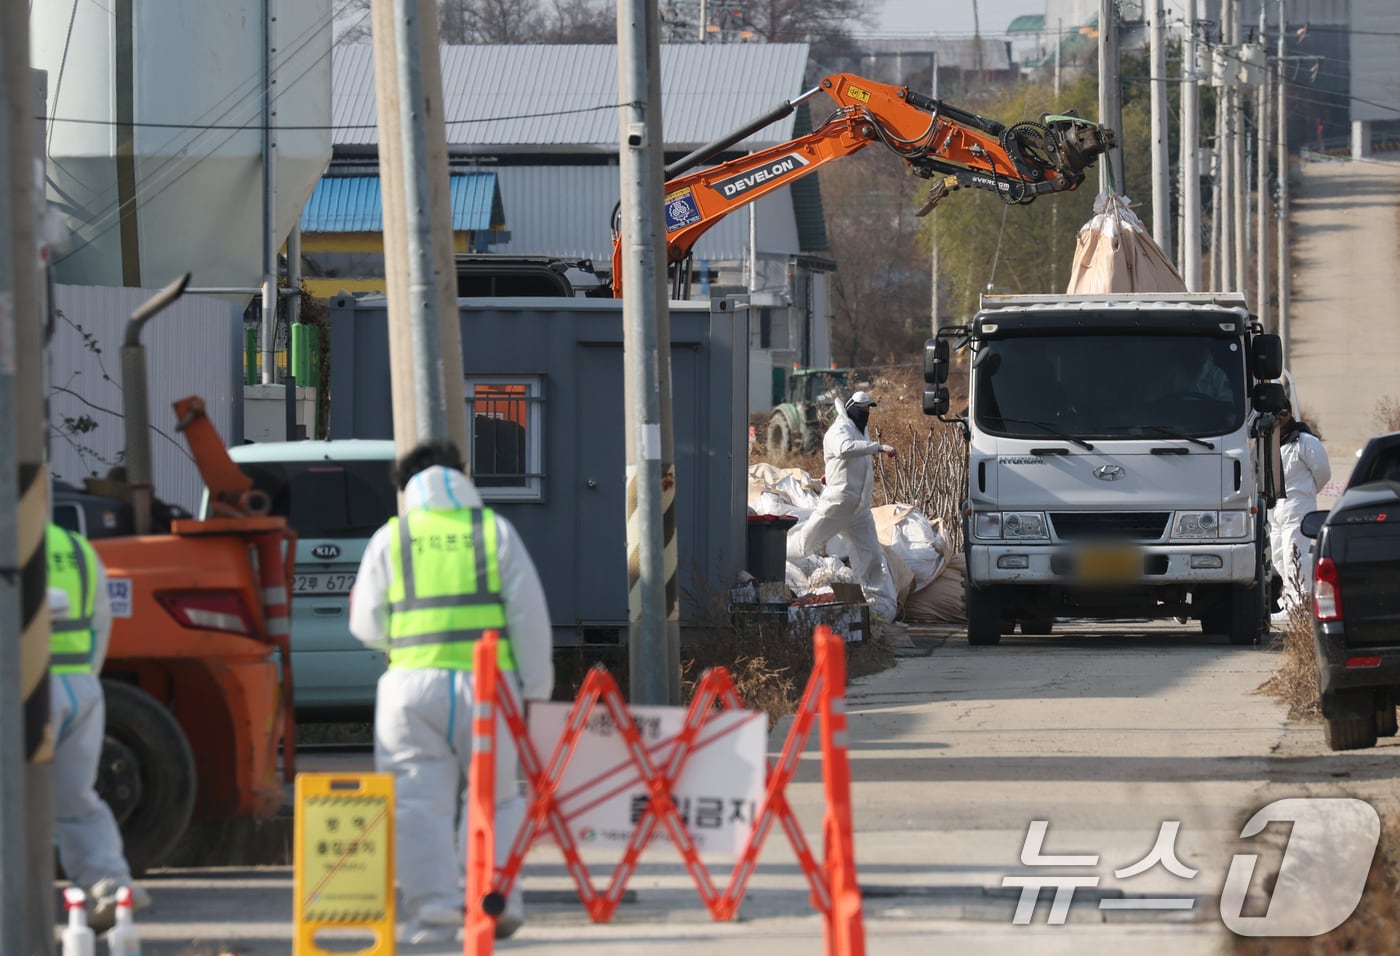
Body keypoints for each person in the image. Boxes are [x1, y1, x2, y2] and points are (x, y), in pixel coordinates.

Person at [349, 440, 553, 944]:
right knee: (497, 798)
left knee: (418, 803)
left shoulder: (391, 538)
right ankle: (495, 901)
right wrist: (536, 690)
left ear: (406, 488)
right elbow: (529, 618)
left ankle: (434, 914)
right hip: (489, 687)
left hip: (410, 688)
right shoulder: (493, 531)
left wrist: (400, 640)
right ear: (463, 477)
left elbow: (365, 624)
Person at [46, 523, 152, 930]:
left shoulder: (9, 542)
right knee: (75, 797)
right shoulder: (76, 548)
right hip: (80, 686)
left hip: (25, 687)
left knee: (12, 797)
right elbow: (100, 622)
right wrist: (85, 681)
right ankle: (111, 885)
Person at [786, 391, 900, 625]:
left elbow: (849, 463)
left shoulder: (861, 430)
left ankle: (875, 608)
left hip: (859, 510)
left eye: (868, 408)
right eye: (862, 408)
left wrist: (831, 474)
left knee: (870, 556)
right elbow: (844, 449)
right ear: (850, 408)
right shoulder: (839, 430)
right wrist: (877, 447)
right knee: (806, 544)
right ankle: (776, 554)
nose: (865, 413)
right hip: (838, 506)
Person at [1269, 405, 1332, 621]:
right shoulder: (1267, 442)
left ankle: (1302, 606)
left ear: (1290, 414)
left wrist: (1306, 493)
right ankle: (1289, 602)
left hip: (1297, 506)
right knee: (1278, 557)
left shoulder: (1304, 441)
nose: (1280, 417)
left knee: (1294, 555)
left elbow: (1323, 473)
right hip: (1274, 508)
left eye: (1283, 413)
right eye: (1276, 414)